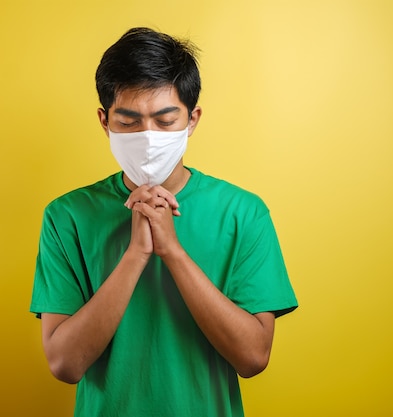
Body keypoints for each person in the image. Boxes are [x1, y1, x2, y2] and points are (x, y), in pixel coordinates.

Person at [30, 27, 298, 417]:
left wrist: (171, 250)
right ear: (104, 121)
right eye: (129, 122)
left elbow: (253, 357)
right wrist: (136, 254)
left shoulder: (243, 212)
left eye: (165, 120)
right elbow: (65, 365)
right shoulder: (67, 216)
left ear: (192, 119)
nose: (148, 137)